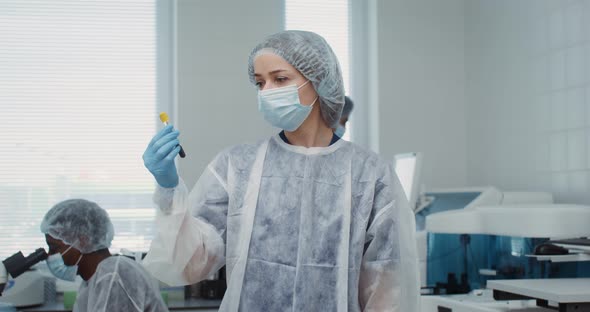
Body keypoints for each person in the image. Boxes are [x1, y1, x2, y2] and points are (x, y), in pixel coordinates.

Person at [142, 30, 419, 311]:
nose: (267, 92)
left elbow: (388, 290)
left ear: (319, 80)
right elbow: (190, 264)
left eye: (280, 79)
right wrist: (169, 188)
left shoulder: (370, 175)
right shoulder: (237, 166)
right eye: (260, 83)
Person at [40, 199, 168, 312]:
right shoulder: (92, 282)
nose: (51, 255)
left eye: (54, 247)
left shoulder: (115, 275)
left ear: (82, 240)